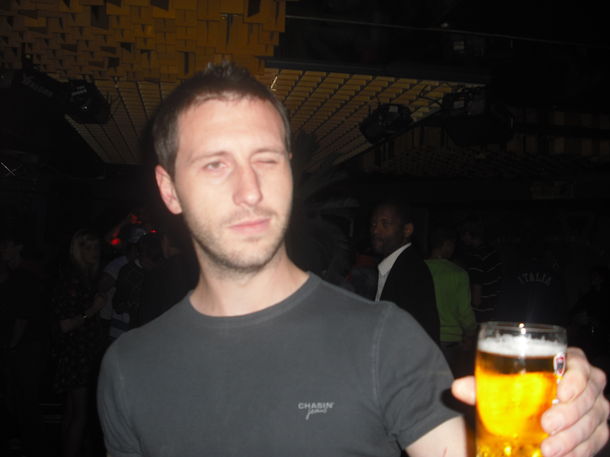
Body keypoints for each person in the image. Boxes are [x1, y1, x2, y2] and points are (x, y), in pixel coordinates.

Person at [97, 62, 609, 457]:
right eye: (215, 164)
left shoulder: (385, 339)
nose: (249, 190)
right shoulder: (128, 367)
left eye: (266, 159)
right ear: (169, 189)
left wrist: (569, 436)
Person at [53, 229, 106, 457]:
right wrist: (92, 310)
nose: (94, 252)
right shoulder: (74, 280)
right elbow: (65, 324)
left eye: (96, 247)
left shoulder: (82, 278)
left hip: (80, 352)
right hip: (78, 354)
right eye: (88, 247)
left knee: (72, 411)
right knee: (80, 414)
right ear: (78, 250)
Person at [370, 200, 440, 343]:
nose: (376, 230)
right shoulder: (394, 266)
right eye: (374, 224)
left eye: (385, 224)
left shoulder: (412, 271)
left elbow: (418, 334)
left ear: (407, 230)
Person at [425, 226, 476, 377]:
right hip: (450, 341)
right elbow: (464, 311)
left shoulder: (419, 269)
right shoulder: (458, 273)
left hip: (423, 336)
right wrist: (471, 333)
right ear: (447, 244)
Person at [458, 218, 503, 323]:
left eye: (462, 235)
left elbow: (476, 298)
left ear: (468, 234)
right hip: (494, 311)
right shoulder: (492, 252)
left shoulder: (476, 257)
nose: (462, 239)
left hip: (481, 315)